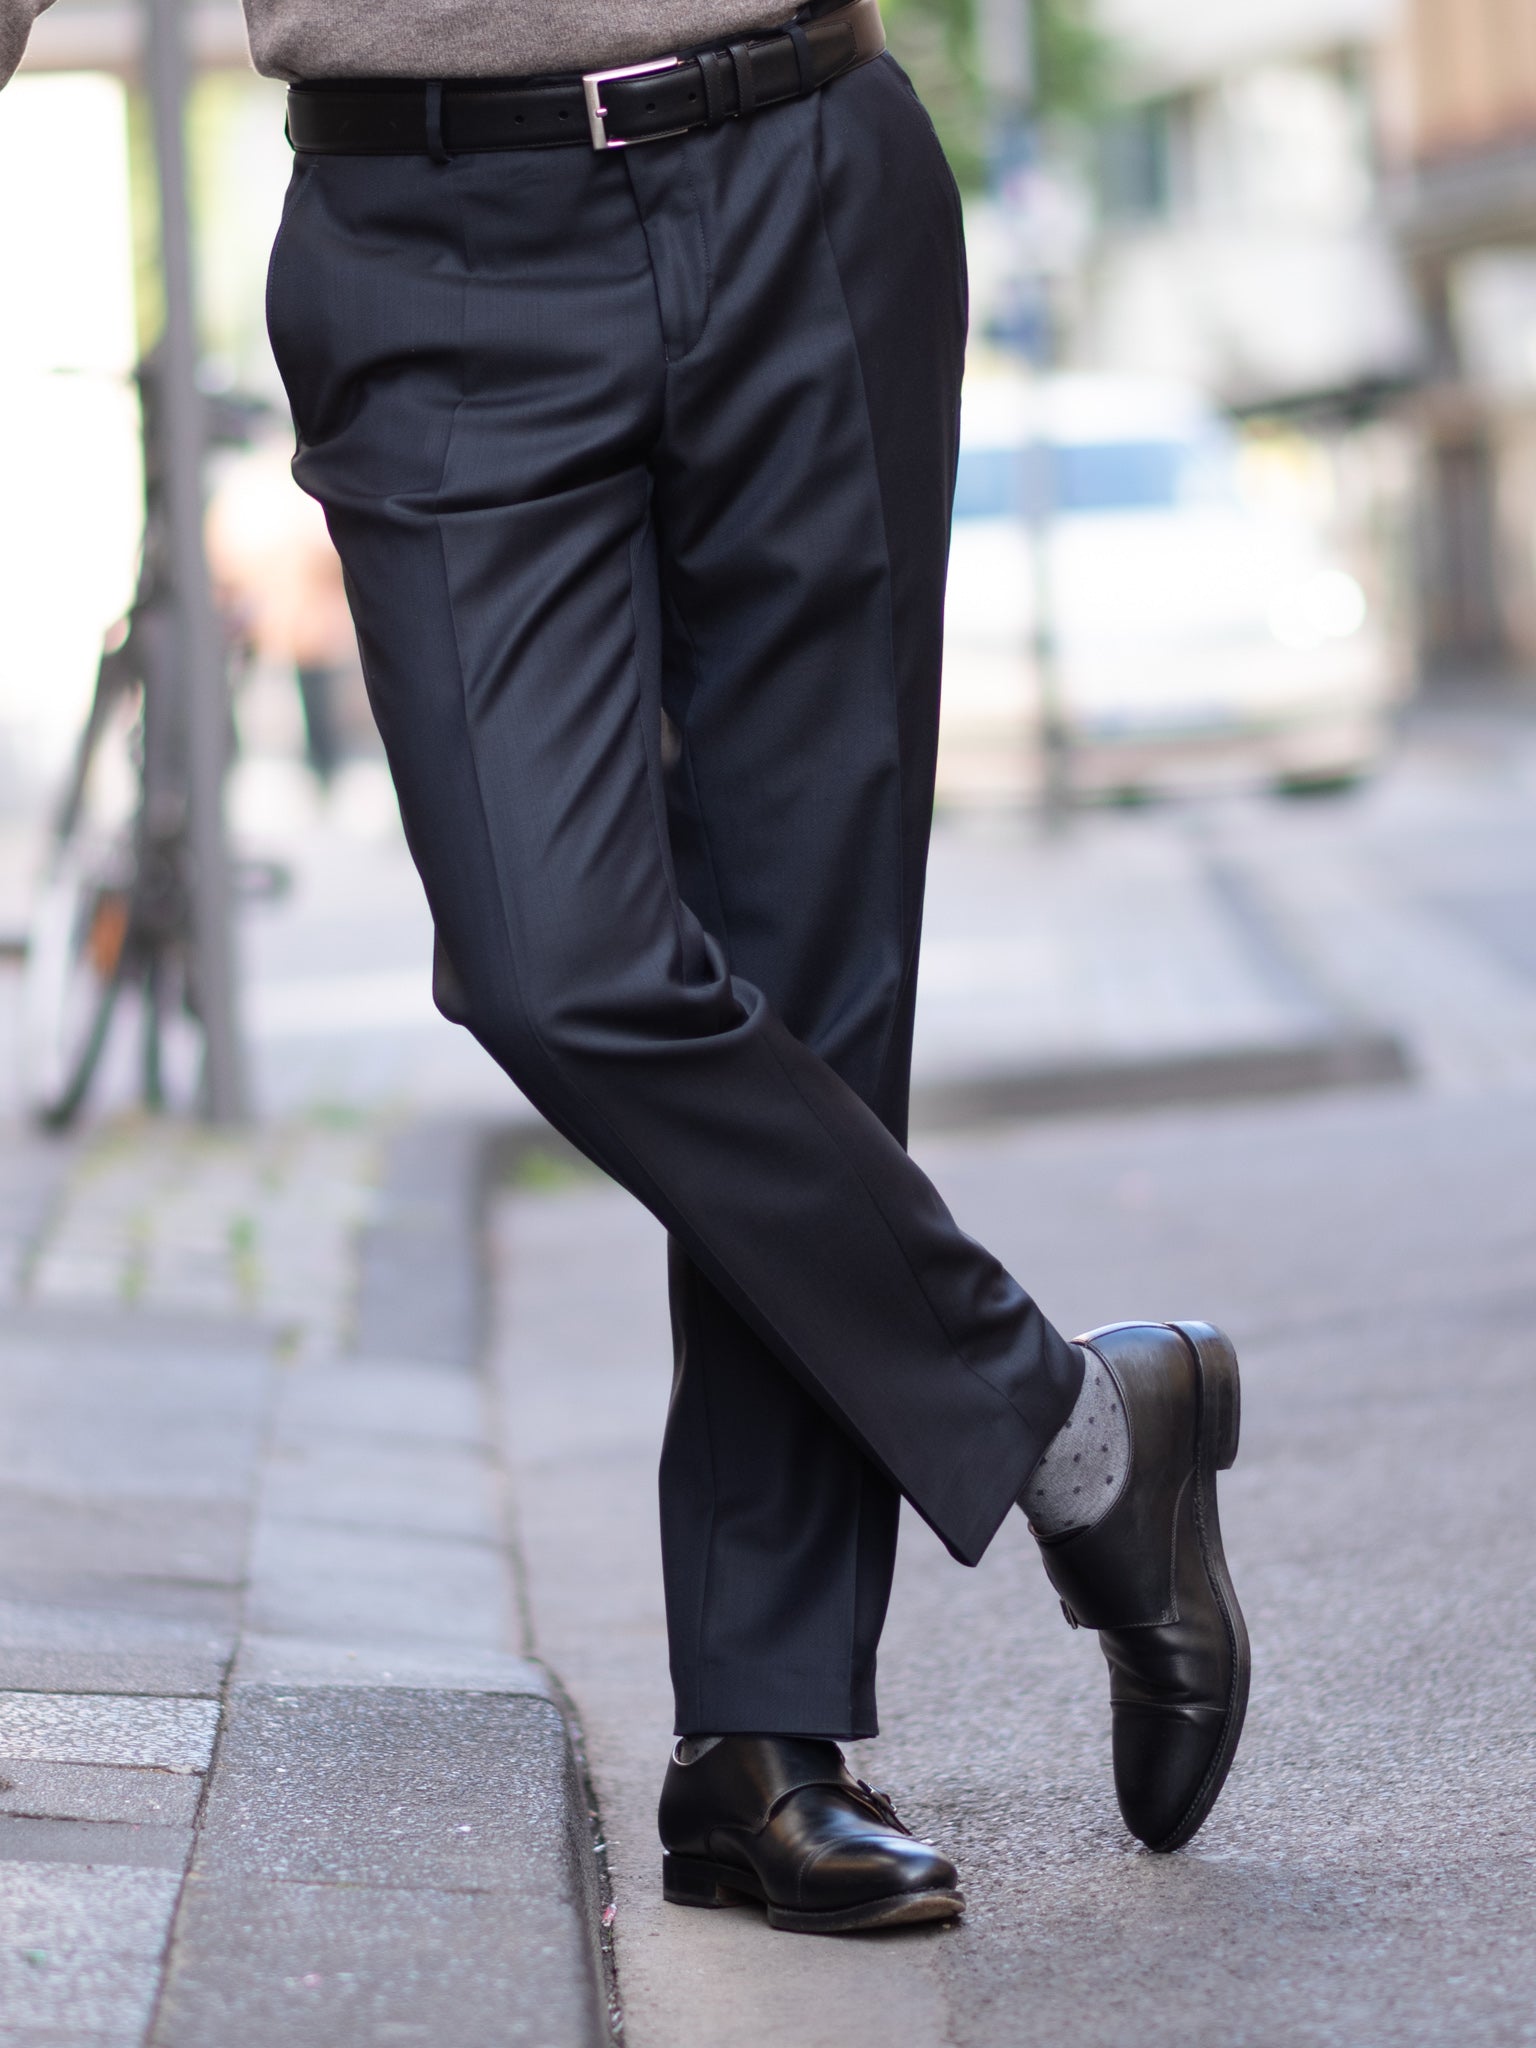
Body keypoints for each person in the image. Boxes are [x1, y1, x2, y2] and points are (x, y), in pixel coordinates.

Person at [2, 0, 1250, 1935]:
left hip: (801, 156)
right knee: (551, 959)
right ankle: (1078, 1428)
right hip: (425, 226)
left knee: (815, 977)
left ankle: (764, 1743)